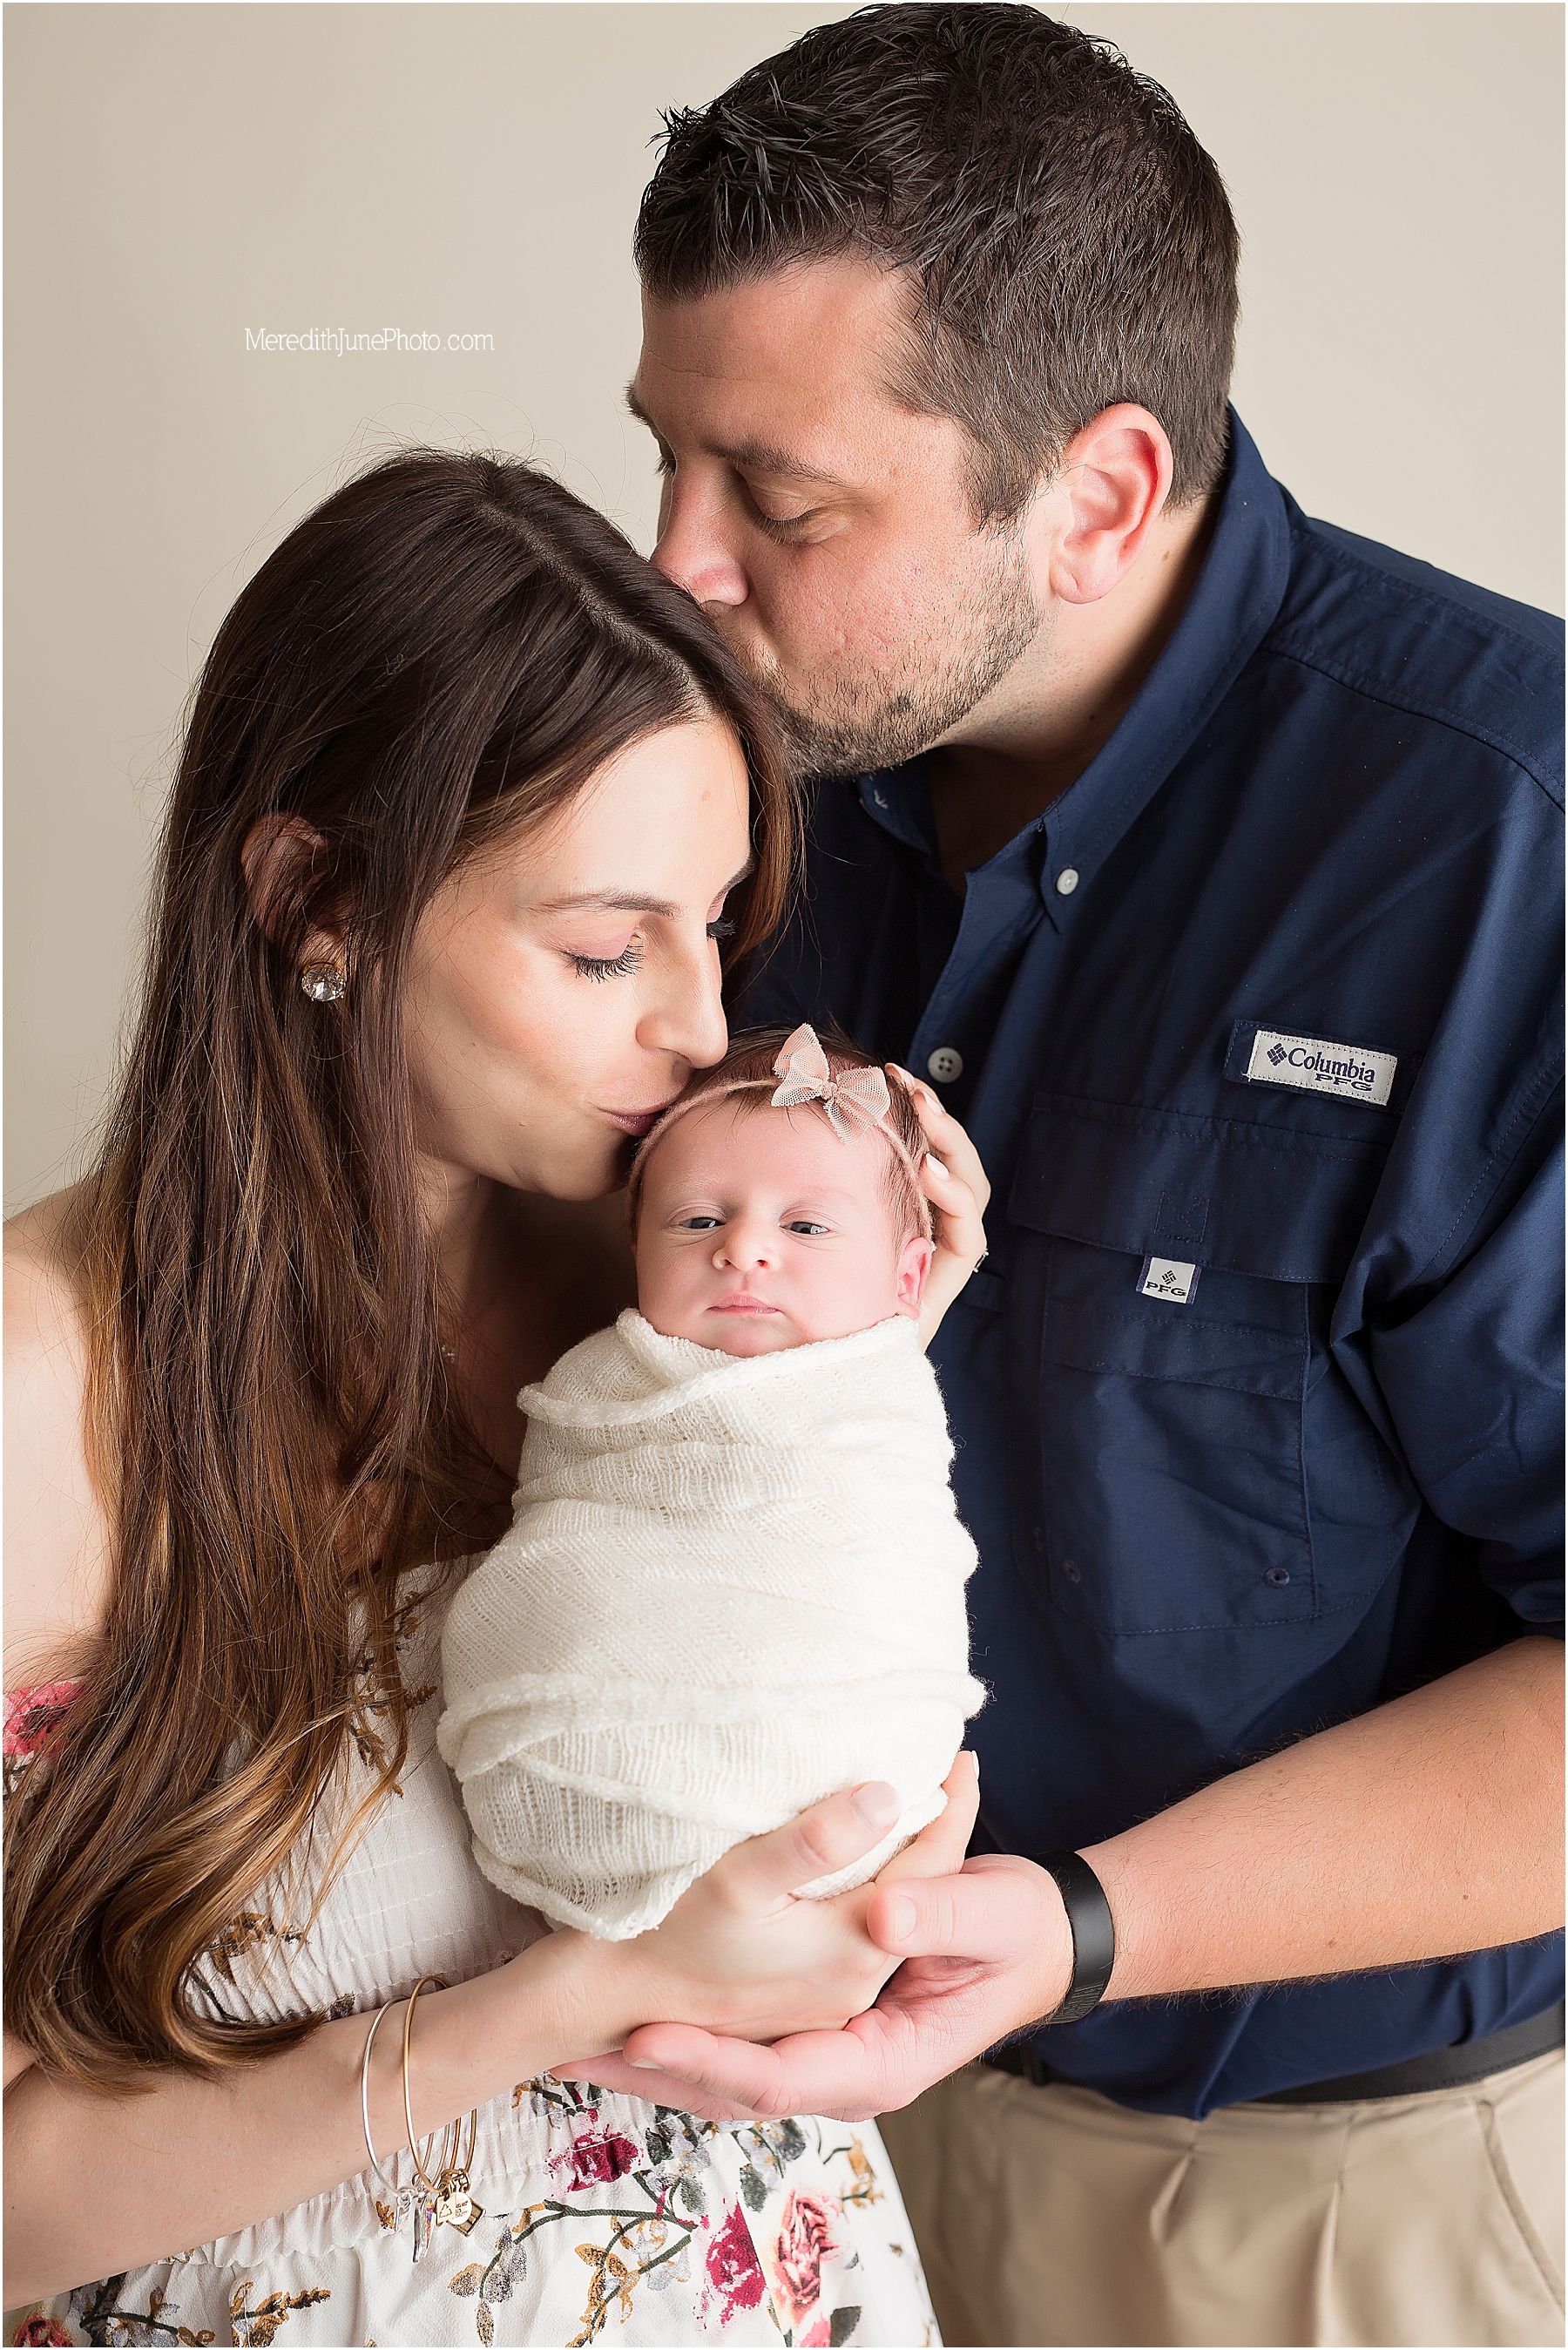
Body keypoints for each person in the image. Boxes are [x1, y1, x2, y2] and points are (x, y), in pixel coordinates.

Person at [569, 8, 1565, 2346]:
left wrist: (1082, 1926)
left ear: (1102, 495)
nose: (674, 568)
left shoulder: (1507, 850)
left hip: (1297, 2203)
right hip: (737, 2137)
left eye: (780, 500)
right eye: (665, 461)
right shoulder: (722, 781)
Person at [2, 450, 993, 2347]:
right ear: (319, 899)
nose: (695, 1026)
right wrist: (571, 1996)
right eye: (606, 946)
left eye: (717, 921)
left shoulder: (681, 1292)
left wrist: (859, 1368)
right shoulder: (39, 1389)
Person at [439, 1023, 984, 1939]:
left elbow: (876, 1529)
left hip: (836, 1774)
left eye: (806, 1226)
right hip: (580, 1749)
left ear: (908, 1280)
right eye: (698, 1220)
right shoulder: (598, 1388)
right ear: (636, 1252)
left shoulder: (881, 1401)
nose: (743, 1250)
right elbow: (562, 1543)